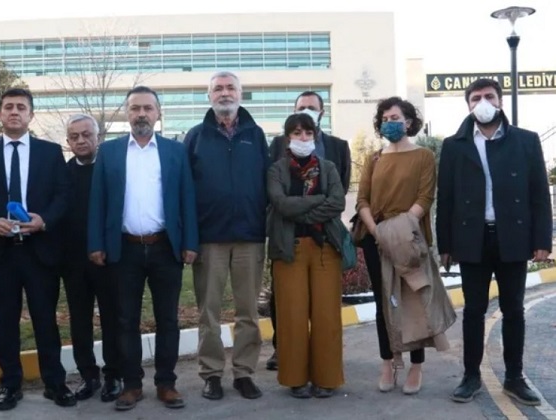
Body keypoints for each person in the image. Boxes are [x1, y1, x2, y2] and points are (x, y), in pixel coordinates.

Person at [436, 78, 552, 406]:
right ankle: (470, 376)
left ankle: (514, 377)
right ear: (468, 105)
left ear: (500, 101)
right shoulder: (454, 145)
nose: (483, 102)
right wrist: (445, 246)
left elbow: (539, 193)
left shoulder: (525, 140)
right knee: (473, 311)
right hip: (471, 237)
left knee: (514, 309)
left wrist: (542, 239)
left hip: (512, 236)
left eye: (489, 96)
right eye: (476, 98)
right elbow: (446, 198)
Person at [88, 86, 199, 411]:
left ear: (158, 113)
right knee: (125, 320)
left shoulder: (174, 151)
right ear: (127, 113)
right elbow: (97, 200)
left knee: (168, 320)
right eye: (135, 108)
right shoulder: (109, 152)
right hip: (124, 250)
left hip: (165, 247)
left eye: (148, 108)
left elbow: (187, 197)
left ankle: (166, 383)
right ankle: (132, 384)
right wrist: (96, 243)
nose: (141, 114)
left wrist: (190, 242)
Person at [0, 88, 75, 411]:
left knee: (45, 320)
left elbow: (63, 195)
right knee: (5, 321)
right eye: (9, 107)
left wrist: (44, 220)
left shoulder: (50, 152)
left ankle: (55, 383)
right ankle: (10, 385)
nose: (15, 112)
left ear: (31, 115)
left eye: (21, 107)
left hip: (39, 250)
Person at [184, 71, 269, 400]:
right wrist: (190, 238)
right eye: (217, 88)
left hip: (250, 237)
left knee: (248, 312)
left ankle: (244, 373)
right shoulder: (196, 137)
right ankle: (211, 374)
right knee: (209, 312)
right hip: (210, 239)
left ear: (240, 94)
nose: (224, 93)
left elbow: (266, 183)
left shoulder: (256, 135)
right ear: (209, 96)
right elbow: (185, 191)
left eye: (230, 87)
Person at [356, 96, 436, 395]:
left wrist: (399, 230)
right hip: (376, 238)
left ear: (409, 122)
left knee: (412, 302)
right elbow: (362, 200)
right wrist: (378, 231)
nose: (390, 123)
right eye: (385, 119)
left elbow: (425, 197)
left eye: (395, 118)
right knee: (383, 303)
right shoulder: (374, 158)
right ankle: (388, 362)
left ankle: (416, 365)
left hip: (409, 237)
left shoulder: (424, 156)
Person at [266, 90, 352, 370]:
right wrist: (317, 201)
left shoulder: (333, 157)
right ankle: (291, 369)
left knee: (326, 314)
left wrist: (301, 210)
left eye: (308, 132)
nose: (302, 137)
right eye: (296, 132)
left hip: (325, 243)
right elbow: (279, 203)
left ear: (320, 117)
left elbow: (337, 201)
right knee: (290, 313)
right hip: (288, 244)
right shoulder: (277, 160)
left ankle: (326, 374)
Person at [60, 114, 122, 402]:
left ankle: (114, 376)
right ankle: (89, 376)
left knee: (112, 319)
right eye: (75, 137)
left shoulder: (111, 170)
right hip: (73, 261)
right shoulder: (62, 173)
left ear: (99, 137)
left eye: (87, 135)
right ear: (68, 142)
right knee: (79, 321)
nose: (81, 141)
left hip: (107, 260)